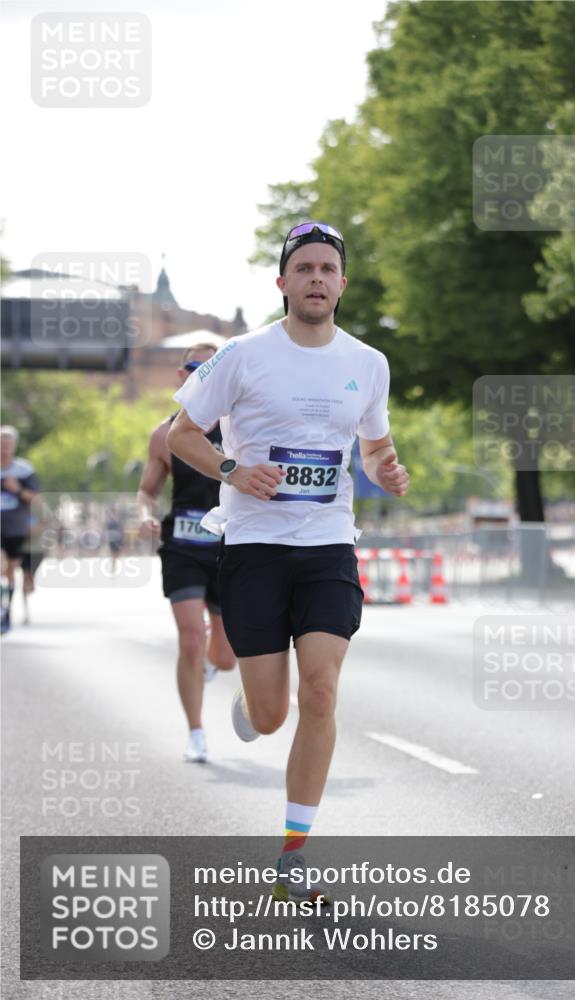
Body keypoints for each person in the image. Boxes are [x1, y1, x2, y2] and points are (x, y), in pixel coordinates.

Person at [167, 222, 409, 902]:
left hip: (328, 545)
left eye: (327, 268)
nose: (316, 278)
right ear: (282, 282)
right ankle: (252, 700)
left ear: (342, 282)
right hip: (252, 549)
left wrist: (386, 470)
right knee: (271, 715)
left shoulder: (367, 361)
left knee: (323, 693)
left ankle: (293, 859)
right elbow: (179, 433)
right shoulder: (242, 355)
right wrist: (231, 469)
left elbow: (371, 447)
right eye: (303, 268)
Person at [138, 344, 237, 764]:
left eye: (211, 369)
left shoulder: (240, 430)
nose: (202, 375)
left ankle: (214, 659)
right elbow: (147, 490)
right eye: (195, 369)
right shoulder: (164, 434)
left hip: (229, 547)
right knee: (190, 639)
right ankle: (196, 731)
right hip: (181, 544)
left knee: (227, 658)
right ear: (182, 375)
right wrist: (144, 514)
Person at [1, 426, 41, 633]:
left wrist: (17, 489)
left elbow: (37, 499)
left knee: (10, 571)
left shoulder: (24, 470)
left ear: (14, 445)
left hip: (16, 529)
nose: (4, 446)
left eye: (8, 442)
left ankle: (6, 608)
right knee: (1, 564)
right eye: (1, 441)